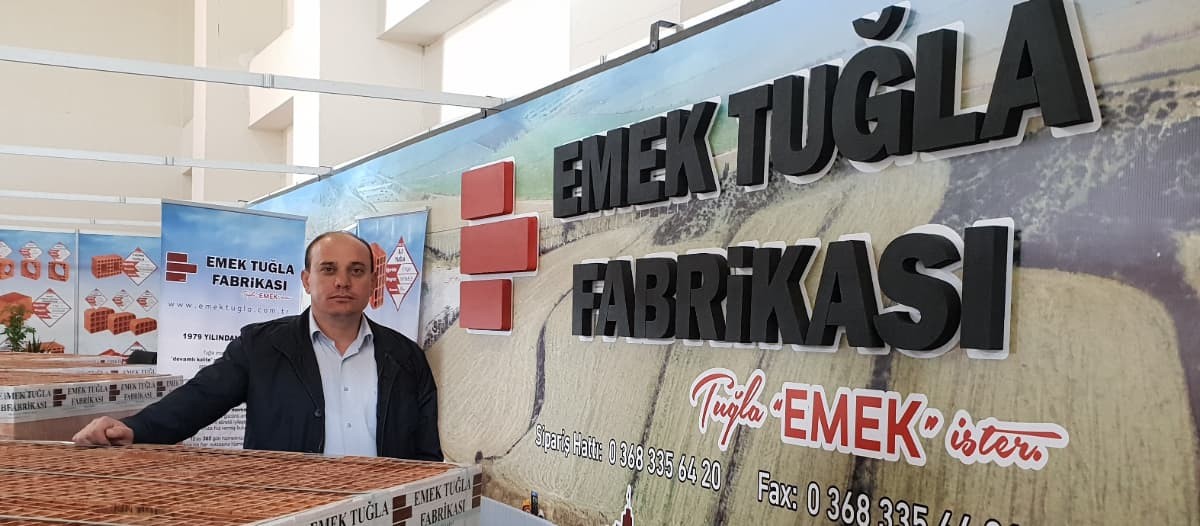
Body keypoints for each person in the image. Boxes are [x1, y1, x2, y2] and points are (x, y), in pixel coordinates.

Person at [72, 231, 442, 461]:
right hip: (291, 508)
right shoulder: (262, 346)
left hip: (381, 511)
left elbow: (426, 452)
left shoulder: (405, 356)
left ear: (373, 281)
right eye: (328, 269)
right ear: (306, 279)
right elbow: (200, 399)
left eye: (356, 271)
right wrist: (135, 428)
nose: (342, 281)